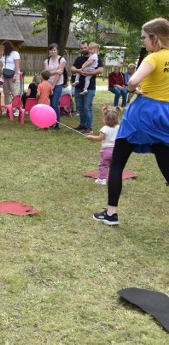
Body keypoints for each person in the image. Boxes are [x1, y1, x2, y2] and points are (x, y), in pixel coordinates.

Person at [92, 18, 169, 226]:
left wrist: (133, 89)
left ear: (155, 38)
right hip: (165, 114)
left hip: (143, 113)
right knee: (165, 161)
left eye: (144, 37)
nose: (143, 41)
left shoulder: (153, 58)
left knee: (117, 163)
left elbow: (133, 81)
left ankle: (111, 213)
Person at [72, 41, 104, 134]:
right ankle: (82, 125)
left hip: (89, 87)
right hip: (78, 87)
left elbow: (100, 70)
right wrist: (79, 70)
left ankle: (89, 127)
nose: (84, 50)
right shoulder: (79, 59)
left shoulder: (96, 57)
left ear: (89, 48)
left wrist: (89, 73)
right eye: (81, 48)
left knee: (87, 107)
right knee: (80, 107)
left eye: (85, 48)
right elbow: (72, 69)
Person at [86, 106, 121, 185]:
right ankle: (113, 179)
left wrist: (90, 137)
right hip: (117, 150)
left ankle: (102, 179)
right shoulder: (119, 128)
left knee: (103, 165)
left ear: (105, 119)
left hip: (106, 151)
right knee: (114, 166)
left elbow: (100, 138)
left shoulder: (105, 128)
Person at [44, 43, 66, 130]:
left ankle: (57, 122)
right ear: (49, 51)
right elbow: (46, 73)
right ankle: (49, 122)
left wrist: (54, 84)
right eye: (51, 50)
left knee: (54, 103)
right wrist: (56, 71)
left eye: (55, 50)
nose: (53, 51)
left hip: (57, 84)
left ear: (57, 50)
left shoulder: (62, 60)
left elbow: (59, 74)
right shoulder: (47, 61)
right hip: (48, 84)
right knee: (48, 104)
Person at [0, 40, 21, 105]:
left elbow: (17, 65)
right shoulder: (4, 54)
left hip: (13, 74)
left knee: (14, 92)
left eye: (3, 47)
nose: (2, 49)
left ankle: (17, 108)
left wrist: (15, 75)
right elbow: (3, 65)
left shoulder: (15, 54)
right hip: (5, 74)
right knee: (6, 92)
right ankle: (7, 108)